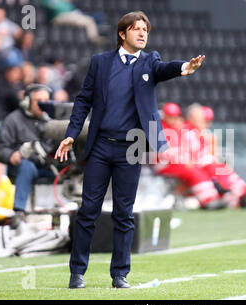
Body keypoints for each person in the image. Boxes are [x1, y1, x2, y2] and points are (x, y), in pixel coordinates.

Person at [54, 11, 205, 289]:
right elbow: (83, 101)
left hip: (131, 149)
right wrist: (71, 135)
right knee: (88, 211)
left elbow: (166, 68)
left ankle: (119, 275)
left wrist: (185, 67)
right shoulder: (100, 63)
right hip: (100, 147)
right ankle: (77, 274)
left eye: (145, 29)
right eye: (136, 29)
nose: (142, 33)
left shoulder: (150, 61)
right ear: (122, 34)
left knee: (124, 213)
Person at [184, 104, 246, 208]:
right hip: (195, 165)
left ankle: (244, 194)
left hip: (204, 165)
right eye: (200, 120)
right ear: (191, 119)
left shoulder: (201, 134)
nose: (204, 123)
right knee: (217, 169)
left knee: (221, 168)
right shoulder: (186, 132)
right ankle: (242, 194)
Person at [0, 83, 56, 218]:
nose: (43, 105)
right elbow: (0, 149)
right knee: (26, 166)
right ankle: (19, 211)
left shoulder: (52, 121)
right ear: (27, 101)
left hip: (49, 166)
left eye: (47, 101)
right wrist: (11, 155)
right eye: (39, 101)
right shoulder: (13, 120)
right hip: (24, 167)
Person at [154, 102, 227, 210]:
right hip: (163, 164)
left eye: (175, 116)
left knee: (201, 167)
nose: (173, 119)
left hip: (178, 163)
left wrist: (188, 158)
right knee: (193, 170)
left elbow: (186, 148)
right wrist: (184, 159)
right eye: (170, 116)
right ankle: (208, 200)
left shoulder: (177, 129)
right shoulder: (159, 128)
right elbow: (163, 153)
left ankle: (215, 196)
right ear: (165, 115)